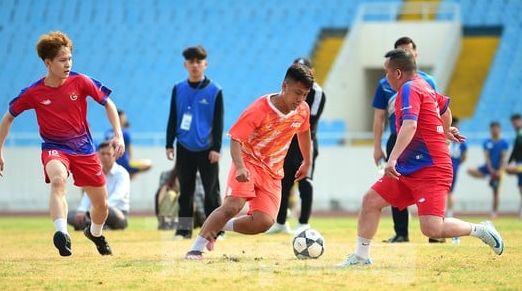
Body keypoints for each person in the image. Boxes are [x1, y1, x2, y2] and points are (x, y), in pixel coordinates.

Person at [338, 49, 504, 267]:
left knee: (432, 229)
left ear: (397, 73)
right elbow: (445, 109)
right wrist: (443, 130)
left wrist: (392, 159)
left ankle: (481, 230)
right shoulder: (423, 84)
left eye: (386, 72)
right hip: (410, 167)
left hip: (430, 168)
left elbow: (410, 124)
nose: (384, 76)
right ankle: (360, 257)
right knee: (371, 200)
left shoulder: (409, 88)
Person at [0, 31, 124, 256]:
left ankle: (95, 233)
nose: (68, 64)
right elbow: (8, 117)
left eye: (70, 59)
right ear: (48, 62)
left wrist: (118, 135)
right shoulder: (34, 92)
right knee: (57, 180)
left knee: (101, 207)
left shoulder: (80, 81)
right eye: (62, 60)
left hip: (84, 150)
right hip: (55, 148)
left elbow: (108, 104)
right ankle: (62, 234)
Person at [185, 63, 314, 260]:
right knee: (232, 206)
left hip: (273, 172)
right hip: (249, 161)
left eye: (305, 94)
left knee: (263, 222)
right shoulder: (259, 109)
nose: (301, 99)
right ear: (285, 86)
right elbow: (236, 139)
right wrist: (241, 167)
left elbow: (304, 132)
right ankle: (196, 248)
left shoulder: (302, 110)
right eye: (298, 93)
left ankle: (217, 227)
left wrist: (307, 161)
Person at [371, 36, 440, 244]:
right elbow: (379, 116)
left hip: (421, 139)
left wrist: (440, 136)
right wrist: (377, 147)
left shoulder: (427, 81)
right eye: (401, 51)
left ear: (415, 55)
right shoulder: (385, 84)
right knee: (395, 183)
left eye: (408, 52)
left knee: (427, 182)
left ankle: (435, 232)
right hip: (396, 137)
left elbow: (438, 111)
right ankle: (401, 232)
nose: (405, 55)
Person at [166, 46, 224, 239]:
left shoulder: (215, 90)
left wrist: (216, 148)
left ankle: (217, 230)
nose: (195, 65)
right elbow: (173, 117)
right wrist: (169, 144)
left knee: (211, 193)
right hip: (184, 147)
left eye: (198, 62)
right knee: (185, 192)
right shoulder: (178, 88)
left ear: (205, 64)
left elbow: (218, 122)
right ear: (185, 65)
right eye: (191, 62)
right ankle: (183, 230)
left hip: (208, 149)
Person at [267, 57, 326, 235]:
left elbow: (310, 121)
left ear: (312, 72)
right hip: (286, 142)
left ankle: (303, 222)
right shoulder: (288, 90)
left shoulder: (318, 93)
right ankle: (280, 221)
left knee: (305, 181)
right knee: (283, 182)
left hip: (306, 141)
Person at [67, 141, 130, 230]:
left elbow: (118, 195)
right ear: (98, 155)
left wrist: (101, 209)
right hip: (94, 211)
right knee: (70, 215)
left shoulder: (122, 173)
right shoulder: (95, 172)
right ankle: (98, 226)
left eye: (108, 154)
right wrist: (82, 210)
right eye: (103, 154)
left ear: (115, 156)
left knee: (109, 212)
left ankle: (87, 225)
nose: (105, 157)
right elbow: (88, 194)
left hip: (116, 212)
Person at [467, 121, 509, 219]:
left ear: (499, 129)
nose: (494, 130)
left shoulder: (504, 142)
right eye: (492, 128)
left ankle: (494, 212)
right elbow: (487, 158)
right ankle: (487, 177)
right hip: (489, 168)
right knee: (470, 170)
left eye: (496, 128)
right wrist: (490, 171)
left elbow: (503, 158)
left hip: (499, 168)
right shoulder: (487, 142)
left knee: (496, 191)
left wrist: (498, 171)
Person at [105, 110, 152, 179]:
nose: (125, 120)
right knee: (148, 163)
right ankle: (130, 173)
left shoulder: (107, 133)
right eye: (124, 118)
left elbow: (106, 149)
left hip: (111, 165)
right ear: (119, 118)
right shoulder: (125, 133)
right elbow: (129, 150)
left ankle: (129, 174)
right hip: (125, 164)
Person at [505, 113, 522, 220]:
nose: (515, 123)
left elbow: (516, 150)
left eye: (516, 121)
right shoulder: (520, 133)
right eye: (513, 122)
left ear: (521, 121)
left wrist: (511, 162)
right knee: (521, 187)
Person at [447, 117, 467, 243]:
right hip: (454, 167)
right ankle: (449, 213)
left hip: (445, 166)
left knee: (444, 192)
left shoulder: (445, 136)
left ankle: (444, 215)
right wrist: (458, 164)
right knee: (451, 192)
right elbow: (465, 155)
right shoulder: (460, 140)